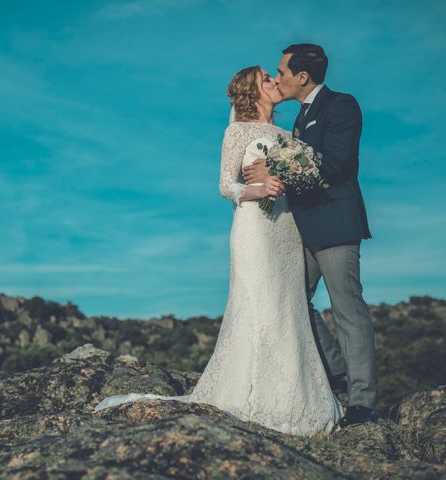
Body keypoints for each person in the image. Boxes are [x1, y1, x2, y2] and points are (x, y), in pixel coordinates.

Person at [93, 65, 343, 436]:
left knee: (287, 306)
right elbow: (225, 183)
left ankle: (298, 396)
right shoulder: (237, 131)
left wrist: (286, 176)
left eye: (274, 77)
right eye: (267, 80)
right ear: (253, 92)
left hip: (287, 231)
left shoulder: (287, 135)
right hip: (254, 229)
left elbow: (299, 177)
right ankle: (253, 396)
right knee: (259, 303)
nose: (275, 83)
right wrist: (256, 189)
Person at [243, 44, 377, 427]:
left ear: (303, 76)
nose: (277, 77)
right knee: (292, 301)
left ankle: (363, 403)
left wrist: (275, 163)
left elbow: (336, 163)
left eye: (282, 71)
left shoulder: (341, 105)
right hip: (302, 229)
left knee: (348, 310)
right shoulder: (301, 117)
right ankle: (335, 372)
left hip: (335, 225)